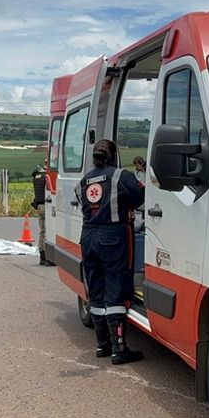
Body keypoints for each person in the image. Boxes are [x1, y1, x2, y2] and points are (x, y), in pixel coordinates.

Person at [78, 139, 145, 364]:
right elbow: (140, 198)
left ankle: (102, 345)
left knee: (96, 291)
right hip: (112, 236)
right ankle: (119, 349)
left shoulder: (85, 180)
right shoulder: (120, 176)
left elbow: (81, 200)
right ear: (114, 155)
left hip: (88, 236)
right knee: (115, 290)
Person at [31, 160, 53, 267]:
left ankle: (42, 257)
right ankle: (49, 258)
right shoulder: (47, 176)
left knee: (42, 232)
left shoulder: (37, 175)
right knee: (49, 232)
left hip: (39, 206)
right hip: (46, 205)